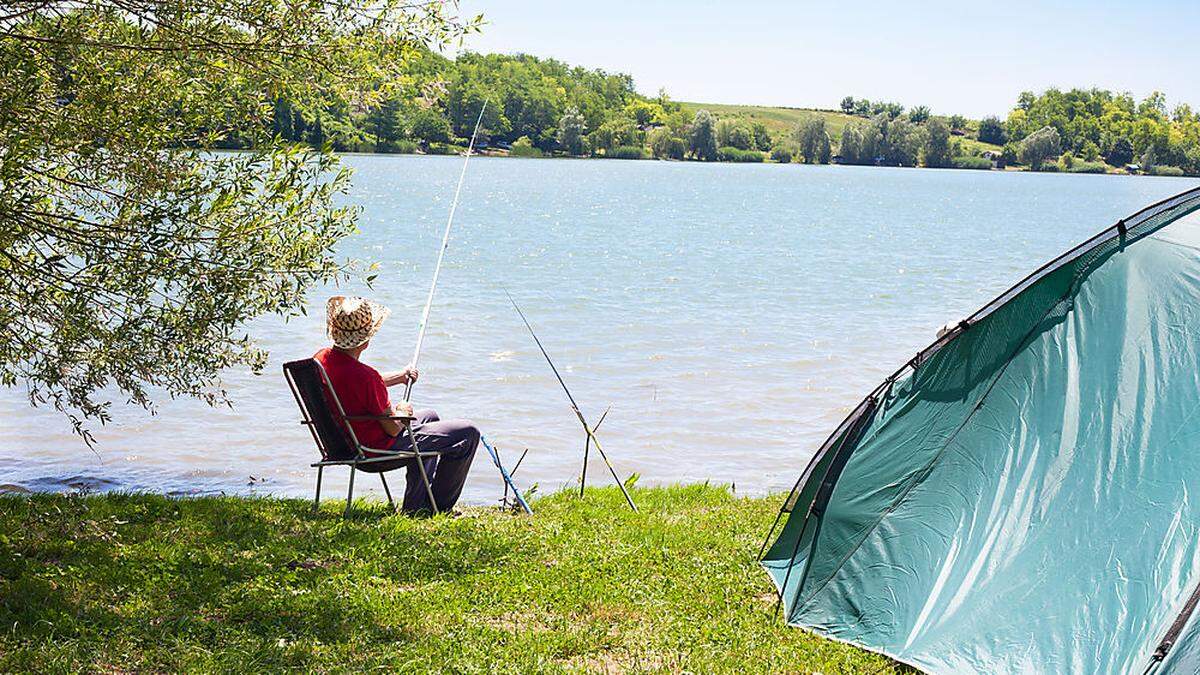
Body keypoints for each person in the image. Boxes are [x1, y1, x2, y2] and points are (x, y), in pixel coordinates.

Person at [314, 295, 479, 514]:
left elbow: (352, 384)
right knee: (468, 433)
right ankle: (436, 507)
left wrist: (400, 376)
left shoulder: (322, 359)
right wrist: (402, 411)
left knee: (430, 416)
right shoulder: (366, 377)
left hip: (343, 444)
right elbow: (393, 427)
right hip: (373, 451)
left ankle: (415, 504)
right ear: (365, 341)